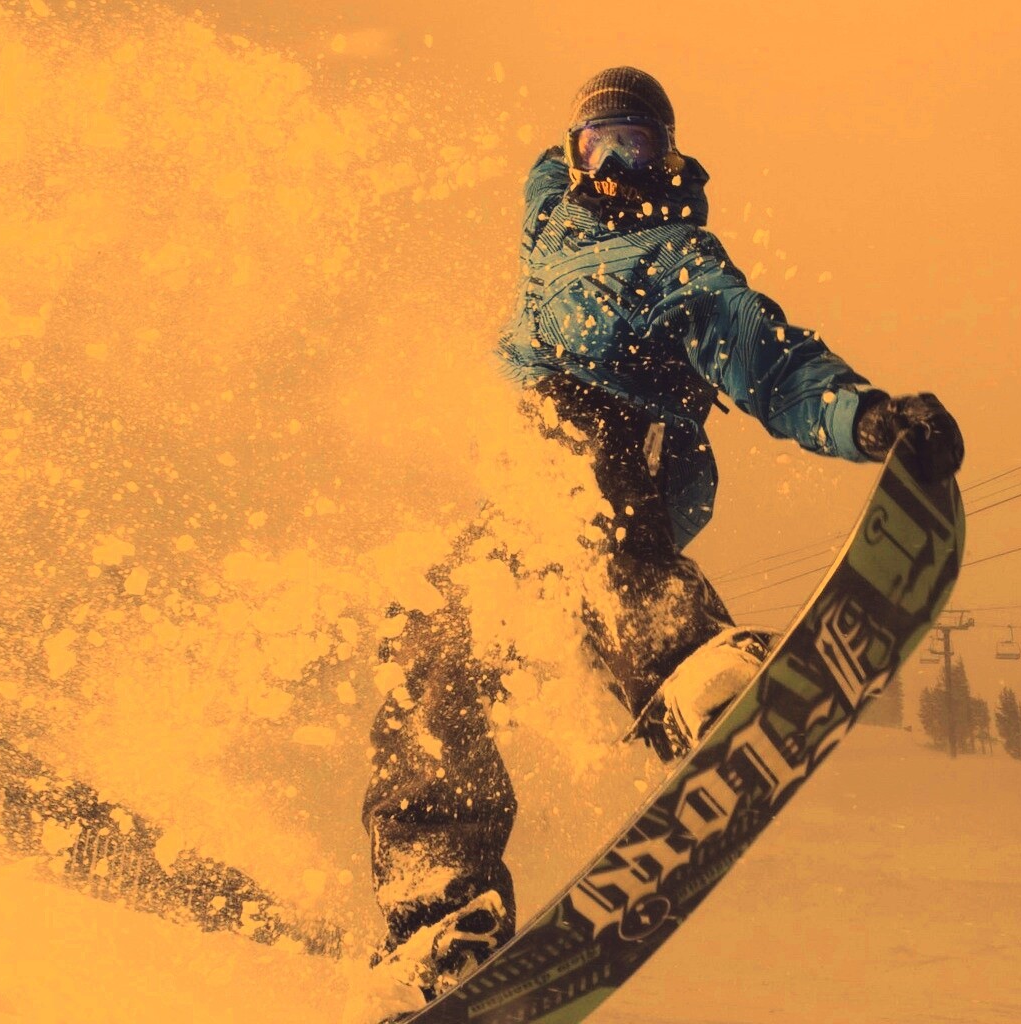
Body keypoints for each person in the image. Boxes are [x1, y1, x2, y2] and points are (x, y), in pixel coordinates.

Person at [349, 66, 964, 1016]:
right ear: (572, 159)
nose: (618, 168)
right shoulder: (549, 222)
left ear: (668, 159)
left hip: (621, 465)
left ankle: (688, 666)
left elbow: (770, 359)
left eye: (638, 147)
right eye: (601, 148)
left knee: (574, 460)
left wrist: (867, 415)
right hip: (522, 511)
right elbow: (540, 178)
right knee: (428, 640)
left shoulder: (678, 255)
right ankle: (440, 909)